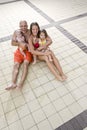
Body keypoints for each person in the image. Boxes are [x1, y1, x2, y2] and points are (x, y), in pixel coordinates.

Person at [5, 20, 33, 90]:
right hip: (19, 50)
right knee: (16, 65)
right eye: (21, 26)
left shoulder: (30, 32)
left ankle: (20, 83)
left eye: (25, 26)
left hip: (28, 51)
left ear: (27, 25)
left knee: (25, 64)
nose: (23, 28)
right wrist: (19, 44)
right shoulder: (16, 32)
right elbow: (12, 43)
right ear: (19, 26)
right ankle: (13, 83)